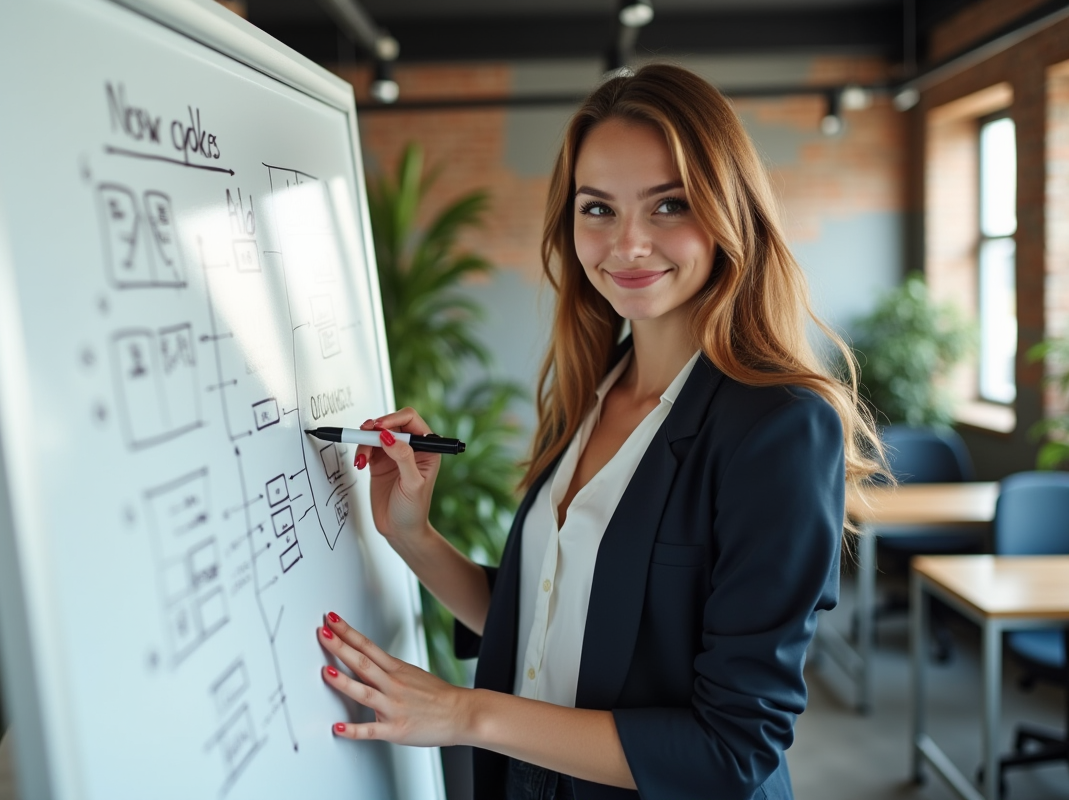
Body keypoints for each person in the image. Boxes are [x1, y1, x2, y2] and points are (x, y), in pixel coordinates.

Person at [315, 63, 883, 800]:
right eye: (598, 209)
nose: (628, 245)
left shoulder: (779, 428)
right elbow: (546, 620)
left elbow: (732, 748)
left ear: (728, 211)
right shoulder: (594, 387)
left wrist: (465, 713)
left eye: (669, 205)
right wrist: (413, 536)